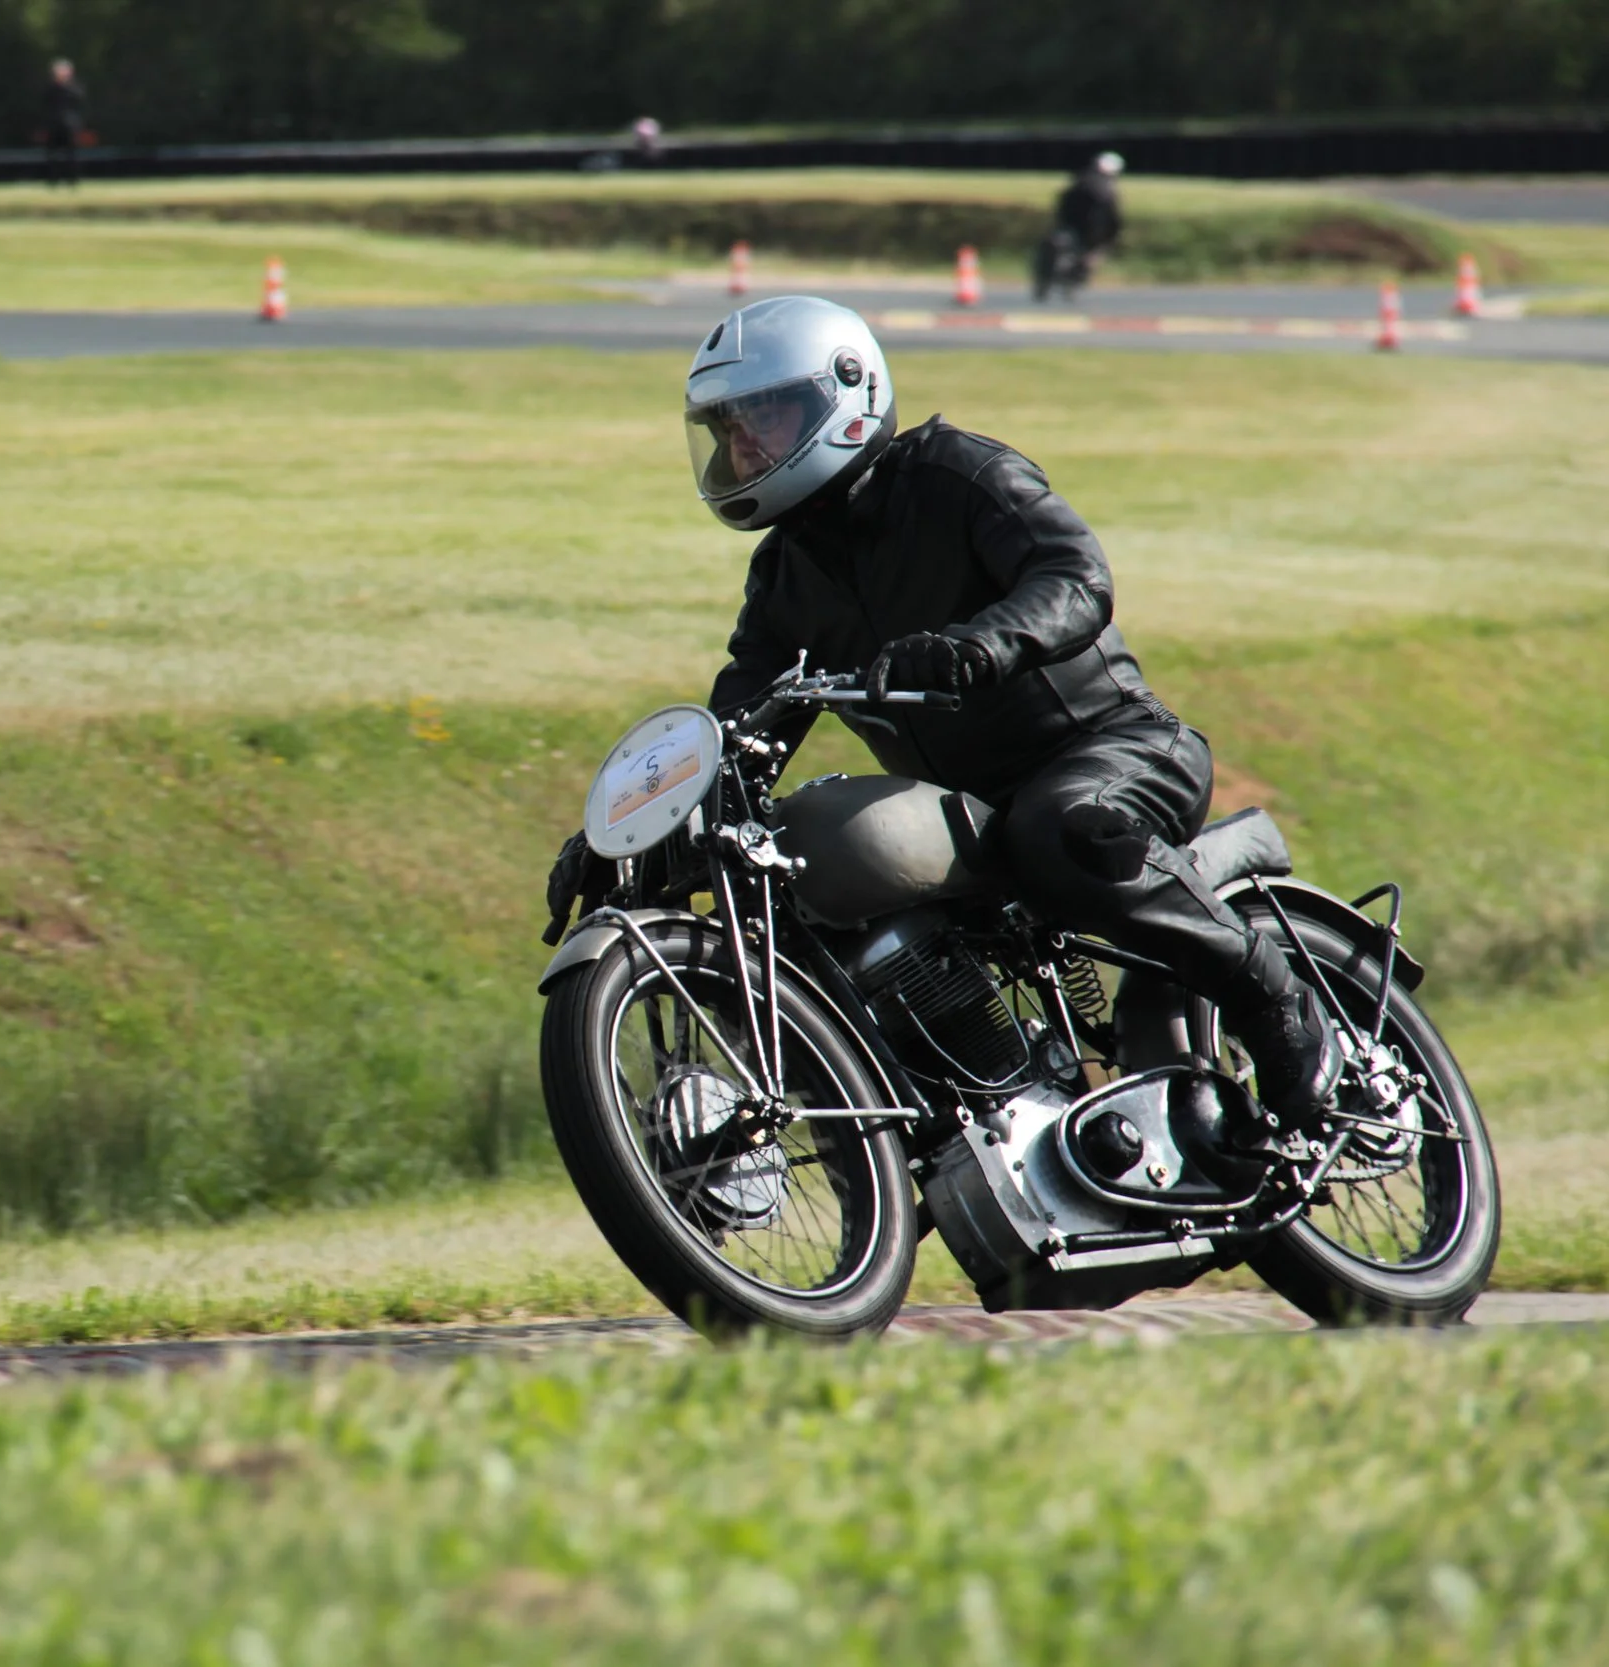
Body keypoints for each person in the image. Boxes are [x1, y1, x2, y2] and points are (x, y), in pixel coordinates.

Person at [548, 296, 1339, 1135]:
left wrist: (980, 644)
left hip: (1117, 751)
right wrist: (624, 836)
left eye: (765, 417)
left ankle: (1273, 994)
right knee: (810, 904)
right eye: (729, 429)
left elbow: (1076, 577)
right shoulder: (784, 576)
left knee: (1059, 827)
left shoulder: (955, 472)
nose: (744, 445)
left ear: (844, 392)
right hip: (969, 818)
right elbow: (741, 723)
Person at [1055, 151, 1124, 260]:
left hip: (1071, 229)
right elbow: (1110, 215)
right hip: (1090, 233)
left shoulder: (1079, 181)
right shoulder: (1104, 188)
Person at [43, 58, 89, 189]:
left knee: (72, 154)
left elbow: (80, 101)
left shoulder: (74, 87)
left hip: (70, 125)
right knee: (52, 155)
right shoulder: (51, 87)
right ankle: (52, 181)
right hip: (53, 125)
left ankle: (72, 181)